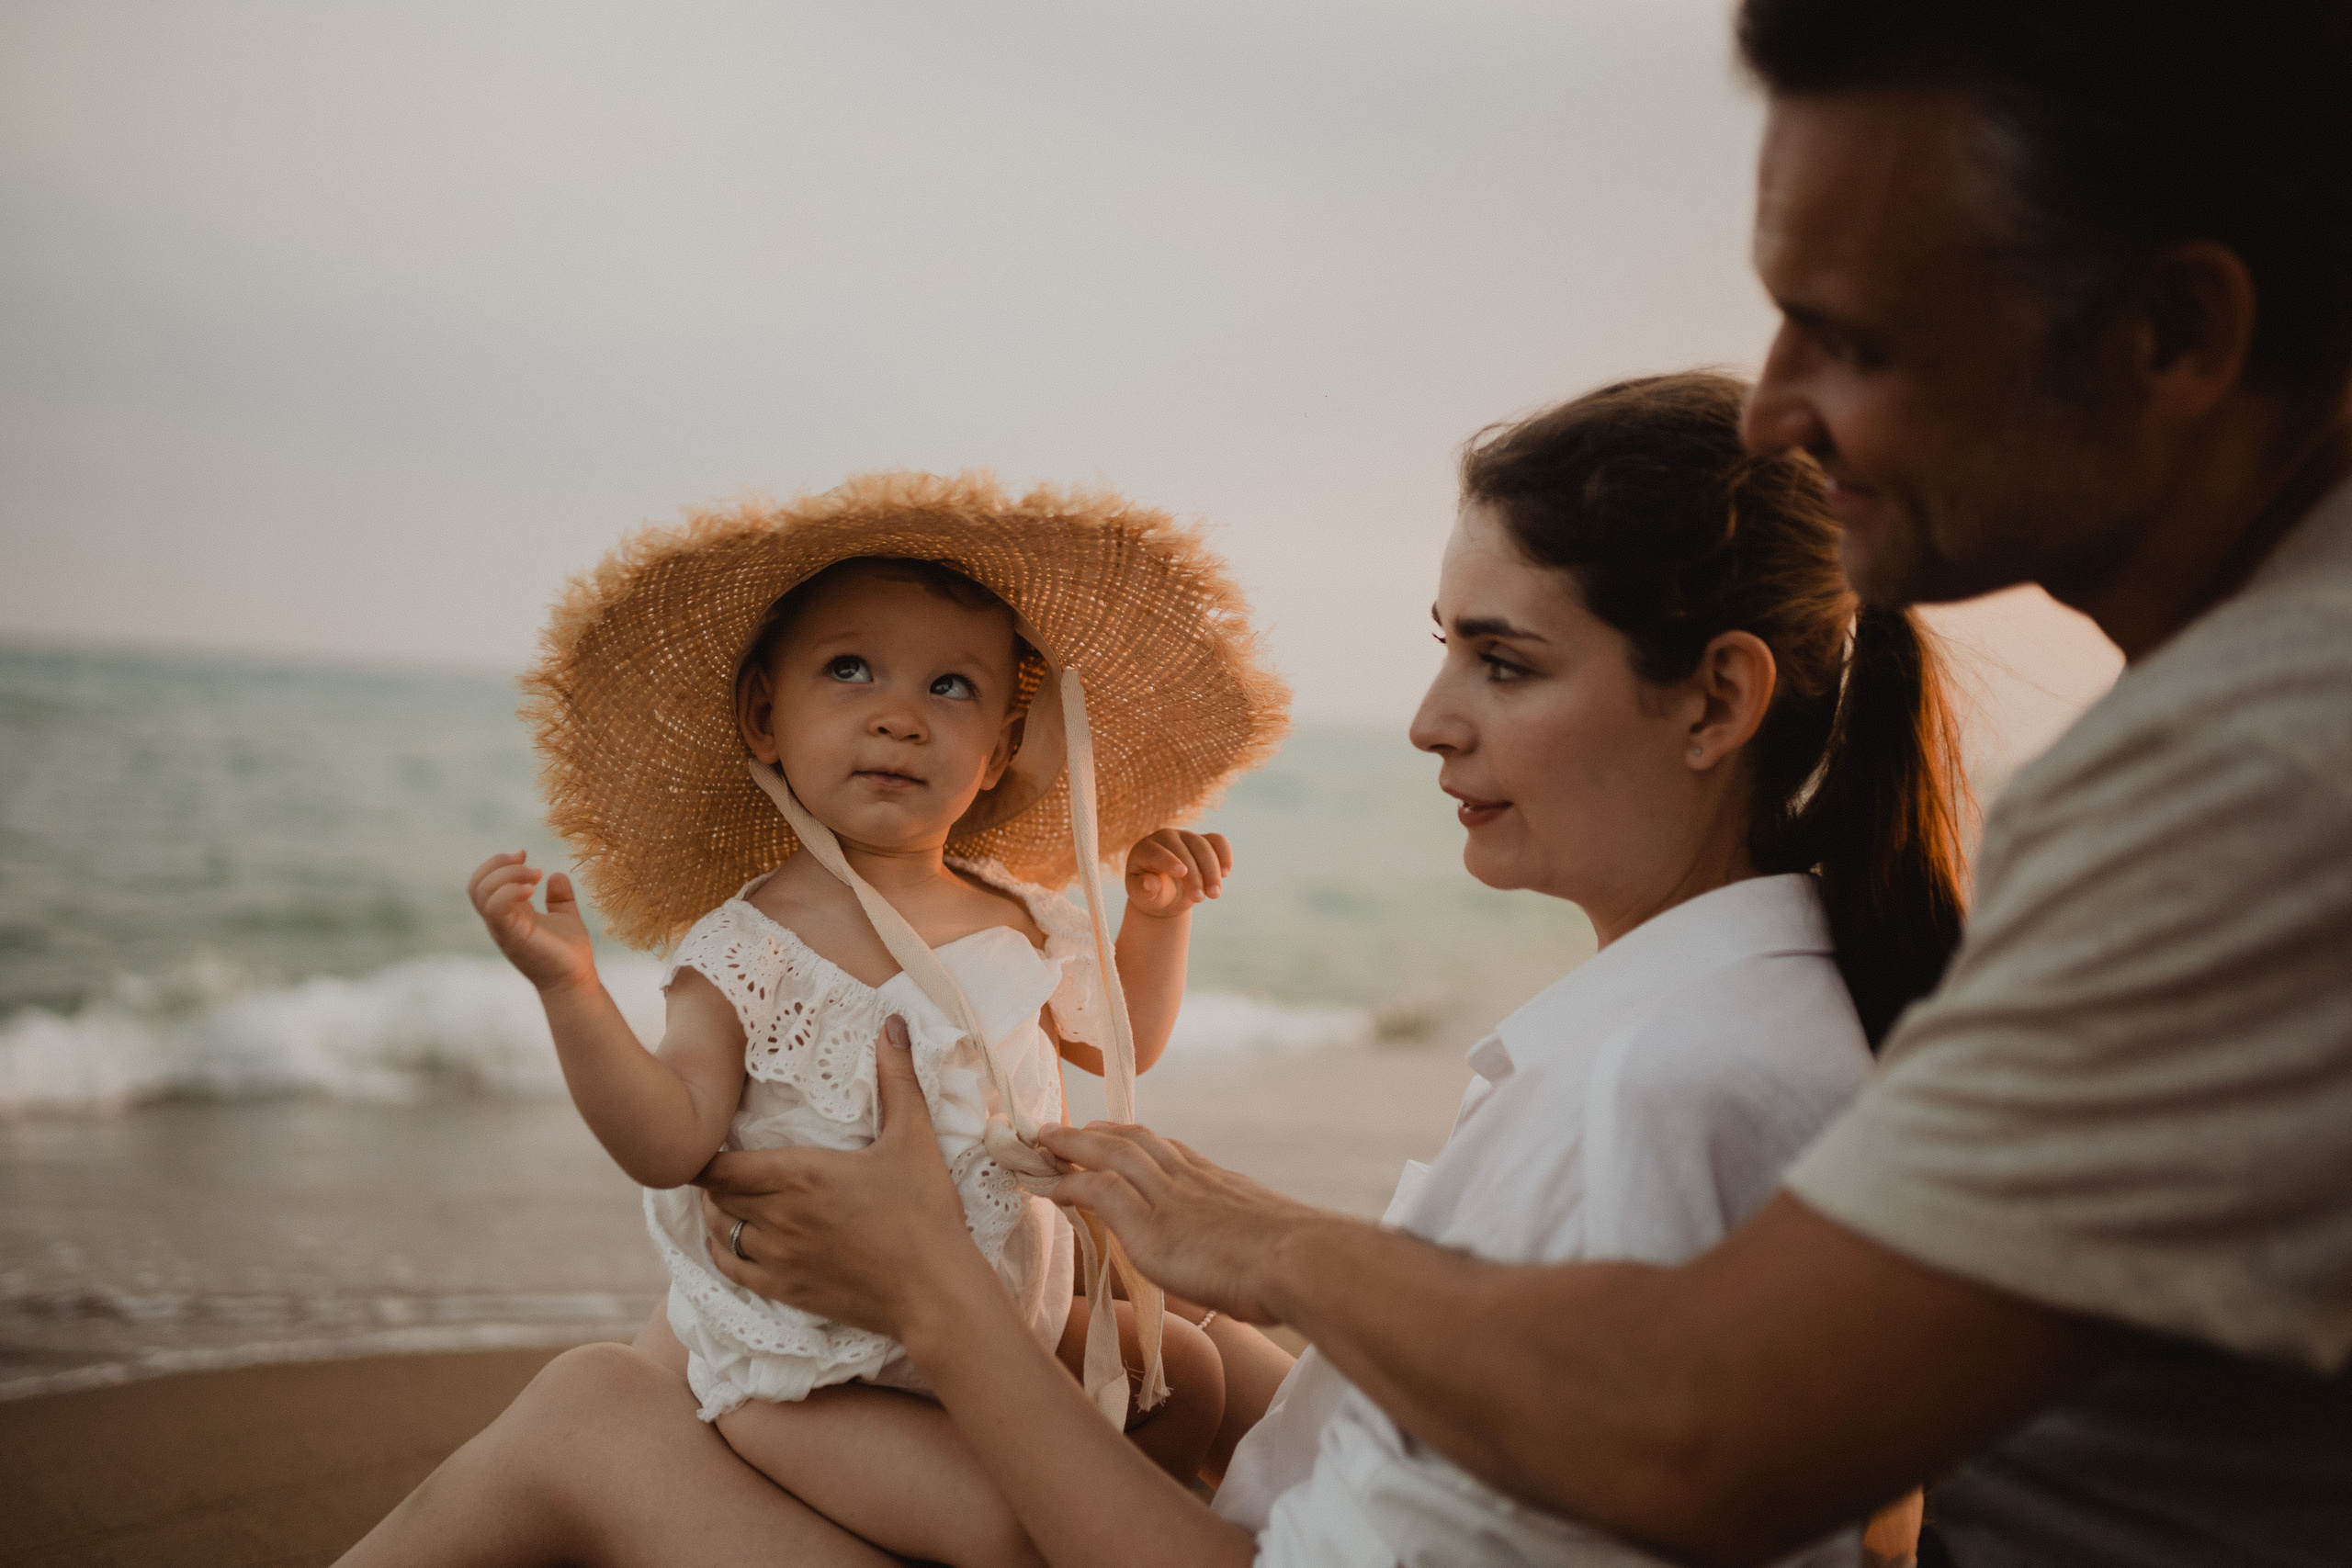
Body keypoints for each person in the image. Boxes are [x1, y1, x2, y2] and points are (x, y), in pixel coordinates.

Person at [920, 5, 2345, 1565]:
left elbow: (1698, 1431)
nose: (1774, 408)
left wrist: (1203, 1253)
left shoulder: (2262, 762)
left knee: (616, 1441)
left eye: (1854, 335)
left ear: (2178, 333)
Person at [344, 370, 1965, 1566]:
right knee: (688, 1373)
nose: (1426, 717)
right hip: (1169, 1454)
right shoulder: (1774, 1023)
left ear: (1715, 701)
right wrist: (1233, 1252)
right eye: (1443, 642)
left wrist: (934, 1286)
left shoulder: (1656, 1094)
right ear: (768, 719)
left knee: (589, 1416)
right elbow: (1563, 1449)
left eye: (1503, 659)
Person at [340, 473, 1290, 1568]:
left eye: (951, 687)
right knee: (994, 1526)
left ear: (1000, 747)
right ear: (763, 717)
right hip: (812, 1359)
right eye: (850, 670)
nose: (899, 714)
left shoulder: (1023, 918)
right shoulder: (750, 947)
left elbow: (1119, 1041)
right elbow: (670, 1140)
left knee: (1192, 1377)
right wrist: (573, 992)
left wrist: (1156, 922)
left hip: (999, 1313)